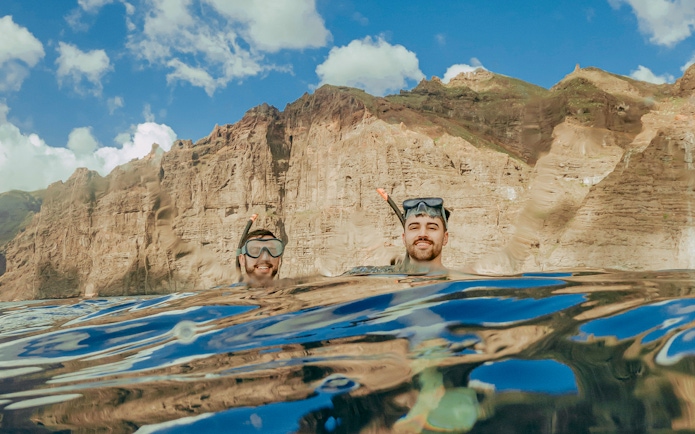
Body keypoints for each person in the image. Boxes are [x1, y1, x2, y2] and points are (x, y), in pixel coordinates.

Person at [401, 198, 451, 271]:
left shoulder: (463, 280)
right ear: (404, 238)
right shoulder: (389, 279)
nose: (423, 234)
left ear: (445, 238)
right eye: (414, 228)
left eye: (432, 228)